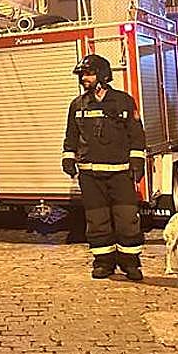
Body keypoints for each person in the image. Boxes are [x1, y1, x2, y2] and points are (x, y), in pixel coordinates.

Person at [61, 54, 147, 281]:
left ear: (102, 75)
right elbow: (71, 136)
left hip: (120, 173)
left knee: (127, 219)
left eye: (88, 74)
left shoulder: (123, 101)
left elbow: (136, 135)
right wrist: (68, 157)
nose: (84, 79)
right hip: (90, 175)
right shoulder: (77, 105)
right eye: (82, 75)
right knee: (97, 221)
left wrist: (137, 161)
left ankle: (130, 263)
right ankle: (103, 262)